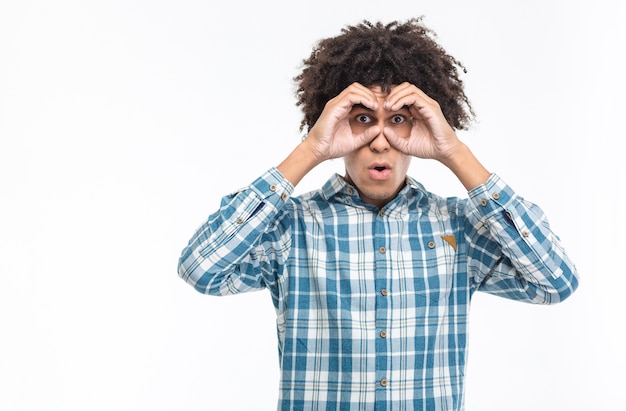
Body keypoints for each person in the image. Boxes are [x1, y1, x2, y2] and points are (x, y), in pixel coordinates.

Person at [177, 18, 579, 410]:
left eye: (399, 120)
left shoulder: (460, 228)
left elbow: (555, 282)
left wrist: (454, 152)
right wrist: (310, 150)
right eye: (363, 119)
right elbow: (201, 269)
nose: (380, 142)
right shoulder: (290, 227)